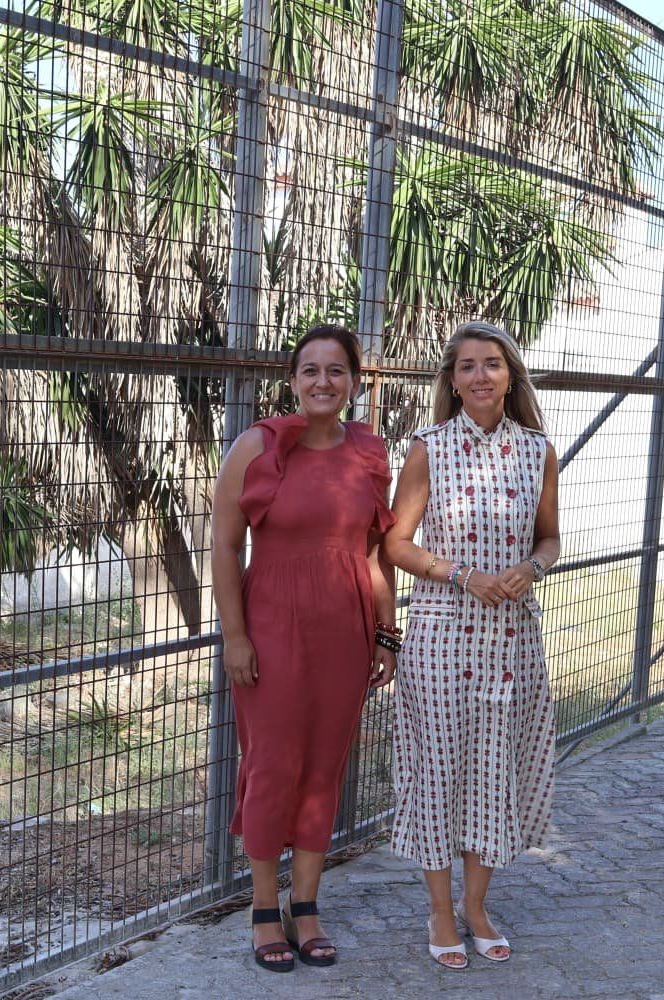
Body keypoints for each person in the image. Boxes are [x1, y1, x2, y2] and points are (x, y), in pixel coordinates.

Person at [210, 324, 399, 972]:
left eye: (336, 370)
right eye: (311, 370)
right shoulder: (257, 448)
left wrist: (384, 632)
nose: (323, 381)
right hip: (271, 630)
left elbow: (373, 553)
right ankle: (265, 911)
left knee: (324, 770)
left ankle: (307, 905)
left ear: (352, 380)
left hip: (343, 634)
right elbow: (225, 547)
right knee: (271, 767)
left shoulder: (370, 454)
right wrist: (235, 636)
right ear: (293, 381)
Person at [382, 320, 561, 971]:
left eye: (493, 363)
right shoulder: (428, 447)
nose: (481, 375)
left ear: (510, 374)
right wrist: (462, 575)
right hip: (438, 638)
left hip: (512, 642)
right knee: (439, 774)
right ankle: (438, 910)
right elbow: (395, 544)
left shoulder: (538, 449)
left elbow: (549, 539)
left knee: (493, 772)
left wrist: (531, 570)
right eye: (468, 366)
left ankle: (477, 906)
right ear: (452, 381)